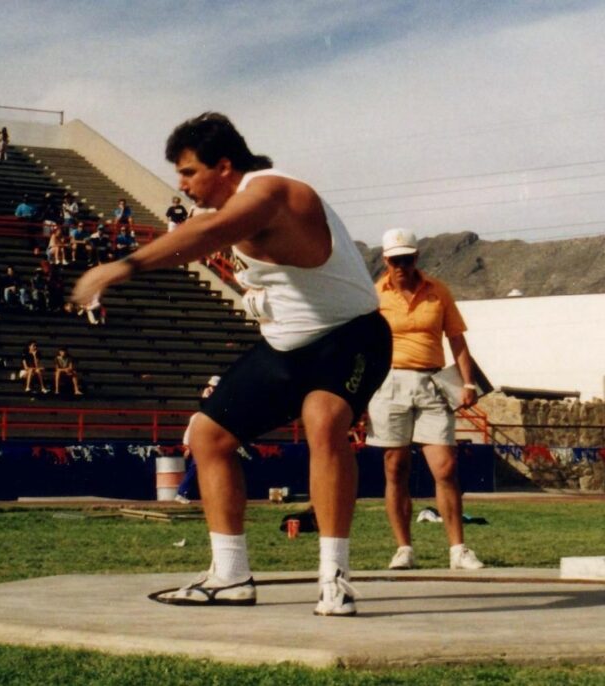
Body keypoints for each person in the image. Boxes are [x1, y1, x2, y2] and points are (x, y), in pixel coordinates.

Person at [72, 112, 392, 616]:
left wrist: (121, 266)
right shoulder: (223, 209)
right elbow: (207, 231)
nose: (182, 185)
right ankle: (231, 574)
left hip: (350, 336)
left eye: (189, 172)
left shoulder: (275, 193)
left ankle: (335, 577)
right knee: (207, 435)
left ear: (224, 166)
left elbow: (212, 232)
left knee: (324, 419)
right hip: (285, 347)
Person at [365, 228, 484, 572]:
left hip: (432, 382)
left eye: (407, 259)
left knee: (445, 466)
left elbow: (457, 339)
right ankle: (404, 548)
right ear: (385, 260)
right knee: (395, 467)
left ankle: (458, 549)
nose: (401, 266)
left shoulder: (438, 292)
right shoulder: (374, 296)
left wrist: (468, 383)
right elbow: (365, 343)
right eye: (394, 260)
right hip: (389, 383)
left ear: (417, 258)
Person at [176, 375, 221, 504]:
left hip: (209, 445)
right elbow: (189, 431)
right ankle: (182, 492)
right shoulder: (199, 416)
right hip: (202, 445)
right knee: (196, 468)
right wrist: (187, 446)